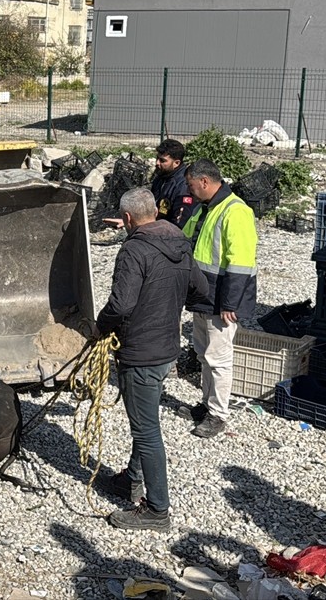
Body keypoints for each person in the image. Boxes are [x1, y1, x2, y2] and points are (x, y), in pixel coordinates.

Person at [93, 188, 208, 531]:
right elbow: (200, 287)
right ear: (154, 212)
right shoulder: (178, 239)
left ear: (127, 218)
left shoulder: (134, 249)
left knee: (146, 431)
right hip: (166, 349)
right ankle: (131, 479)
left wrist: (101, 326)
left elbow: (122, 304)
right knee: (147, 418)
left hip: (140, 351)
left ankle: (157, 510)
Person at [176, 159, 259, 439]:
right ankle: (207, 405)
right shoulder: (206, 208)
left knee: (218, 357)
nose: (188, 190)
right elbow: (185, 240)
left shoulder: (236, 211)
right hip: (204, 294)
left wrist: (230, 303)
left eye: (190, 185)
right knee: (203, 352)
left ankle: (218, 415)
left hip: (221, 299)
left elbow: (241, 262)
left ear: (204, 182)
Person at [149, 138, 196, 229]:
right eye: (157, 158)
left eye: (162, 161)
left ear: (176, 163)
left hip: (170, 234)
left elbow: (179, 223)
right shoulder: (161, 177)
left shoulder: (183, 185)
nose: (157, 163)